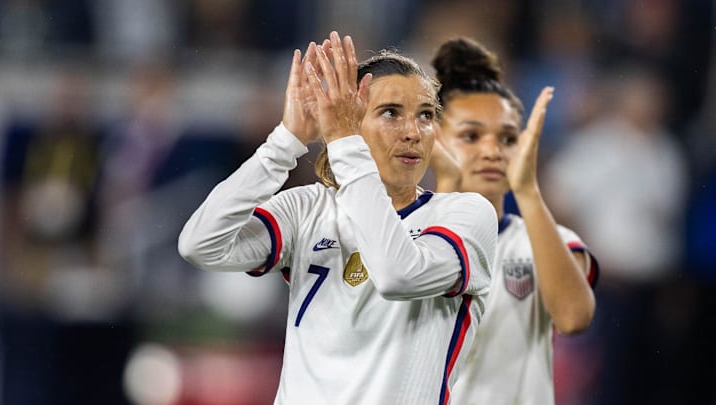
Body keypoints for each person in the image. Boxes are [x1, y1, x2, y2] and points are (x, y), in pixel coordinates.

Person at [178, 31, 498, 404]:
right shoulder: (307, 209)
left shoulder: (465, 216)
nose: (413, 132)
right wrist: (285, 141)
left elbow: (397, 274)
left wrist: (346, 143)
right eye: (391, 113)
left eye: (425, 115)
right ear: (349, 121)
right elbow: (200, 245)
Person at [428, 37, 599, 405]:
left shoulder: (544, 241)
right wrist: (445, 185)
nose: (492, 151)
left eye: (507, 138)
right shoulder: (403, 235)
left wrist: (527, 190)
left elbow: (573, 317)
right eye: (471, 136)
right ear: (437, 140)